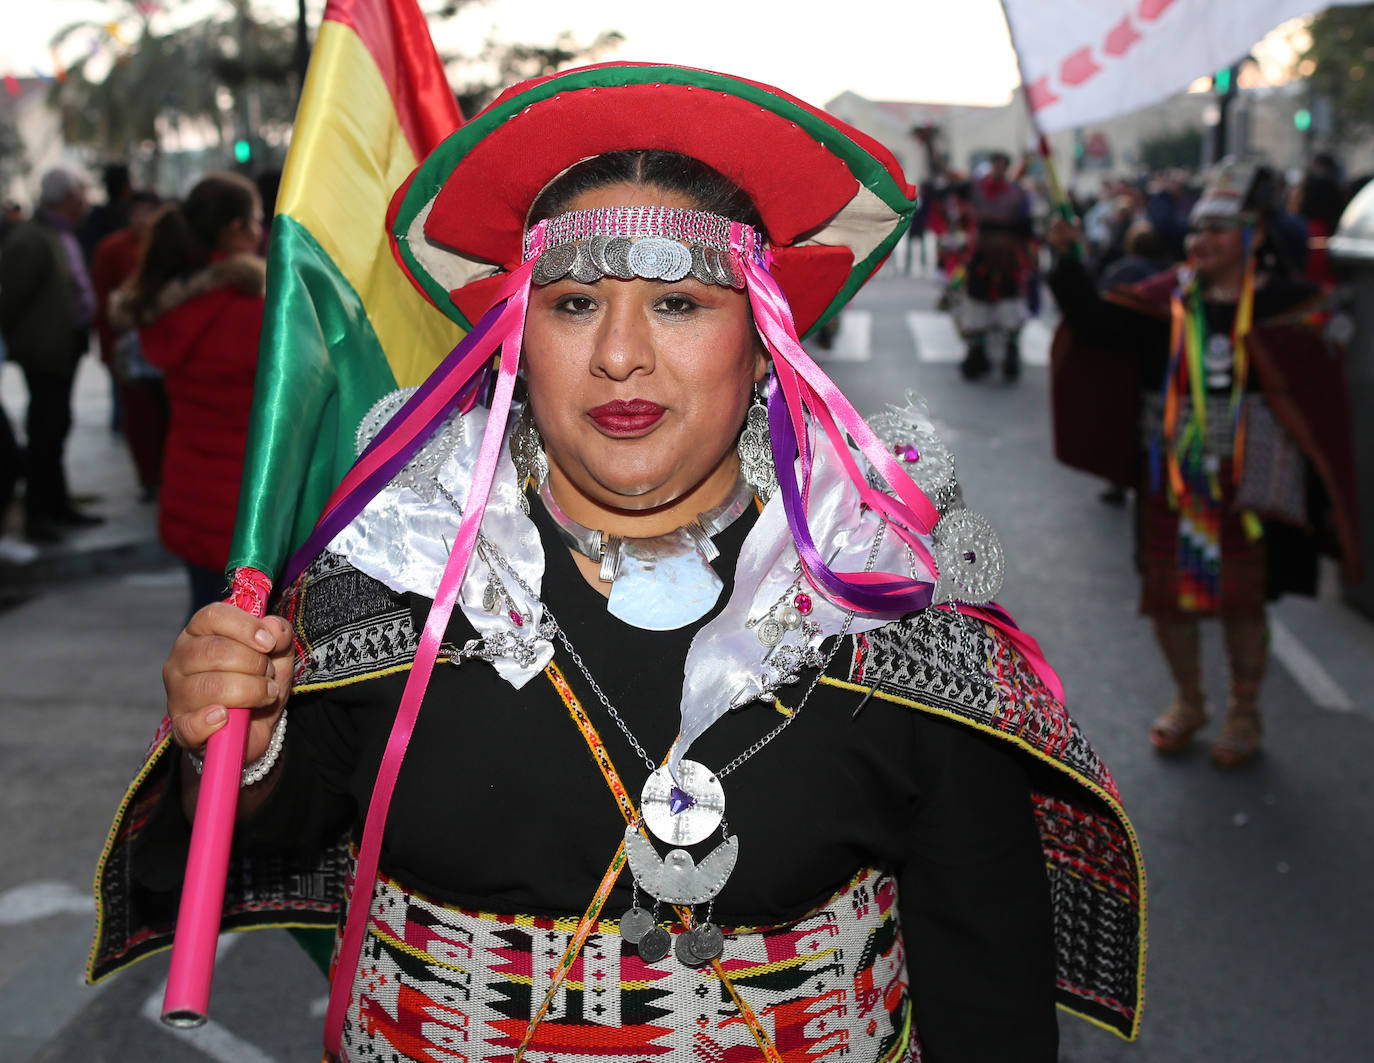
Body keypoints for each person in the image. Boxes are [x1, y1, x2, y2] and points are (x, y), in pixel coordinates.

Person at [90, 66, 1144, 1062]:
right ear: (516, 338)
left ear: (764, 340)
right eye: (574, 303)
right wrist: (242, 751)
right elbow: (265, 837)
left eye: (679, 303)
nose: (619, 354)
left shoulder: (880, 598)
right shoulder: (400, 571)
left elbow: (986, 984)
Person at [1047, 162, 1360, 769]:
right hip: (1172, 478)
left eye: (1217, 228)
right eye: (1195, 229)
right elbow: (1093, 324)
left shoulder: (1286, 307)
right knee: (1168, 600)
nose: (1200, 240)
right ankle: (1189, 700)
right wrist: (1065, 258)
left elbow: (1318, 378)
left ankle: (1245, 710)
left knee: (1244, 601)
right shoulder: (1162, 301)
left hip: (1250, 481)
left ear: (1254, 235)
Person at [112, 173, 264, 615]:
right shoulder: (254, 311)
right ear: (235, 228)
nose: (260, 232)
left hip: (190, 489)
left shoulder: (171, 304)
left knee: (203, 616)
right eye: (256, 220)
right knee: (242, 629)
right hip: (245, 502)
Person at [0, 167, 103, 543]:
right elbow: (11, 298)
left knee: (56, 428)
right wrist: (30, 339)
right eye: (81, 194)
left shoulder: (56, 233)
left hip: (61, 349)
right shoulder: (32, 238)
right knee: (45, 432)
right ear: (66, 198)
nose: (86, 202)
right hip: (44, 352)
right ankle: (39, 513)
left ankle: (57, 506)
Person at [92, 189, 167, 500]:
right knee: (139, 418)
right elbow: (102, 303)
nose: (143, 219)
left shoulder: (172, 246)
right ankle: (149, 479)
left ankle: (165, 475)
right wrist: (108, 351)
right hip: (130, 345)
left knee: (166, 417)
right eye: (138, 212)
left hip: (166, 343)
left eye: (150, 212)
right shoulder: (112, 248)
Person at [958, 151, 1033, 382]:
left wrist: (1029, 253)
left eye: (1003, 165)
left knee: (1009, 303)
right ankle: (977, 353)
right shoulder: (975, 188)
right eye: (996, 164)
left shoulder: (1017, 193)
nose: (999, 168)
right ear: (991, 165)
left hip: (1007, 255)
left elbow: (1026, 228)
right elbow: (950, 191)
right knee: (976, 303)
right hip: (981, 253)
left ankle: (1011, 354)